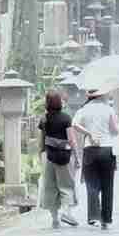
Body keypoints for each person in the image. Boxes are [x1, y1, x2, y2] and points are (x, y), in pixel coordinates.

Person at [71, 87, 119, 229]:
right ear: (101, 96)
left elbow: (74, 124)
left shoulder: (83, 109)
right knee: (107, 185)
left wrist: (89, 134)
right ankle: (106, 219)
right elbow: (115, 131)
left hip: (90, 150)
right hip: (107, 149)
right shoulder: (108, 109)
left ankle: (94, 216)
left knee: (92, 185)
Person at [38, 91, 79, 228]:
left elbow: (41, 140)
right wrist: (77, 157)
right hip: (64, 157)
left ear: (47, 103)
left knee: (50, 187)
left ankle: (55, 219)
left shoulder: (43, 119)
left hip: (49, 156)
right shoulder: (66, 118)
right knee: (66, 186)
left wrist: (40, 155)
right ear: (59, 102)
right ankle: (66, 212)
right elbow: (71, 140)